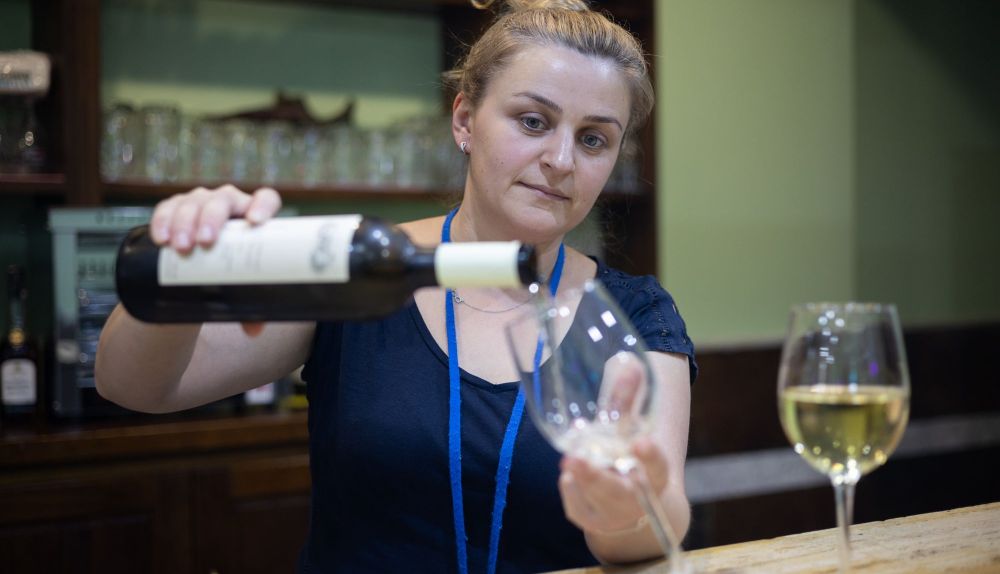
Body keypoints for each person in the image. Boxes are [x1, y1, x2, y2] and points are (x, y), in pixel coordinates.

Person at [95, 0, 697, 572]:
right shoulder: (354, 268)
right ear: (464, 120)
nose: (562, 159)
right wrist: (177, 272)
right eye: (533, 121)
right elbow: (133, 386)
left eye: (593, 139)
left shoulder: (635, 313)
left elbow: (658, 525)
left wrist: (626, 508)